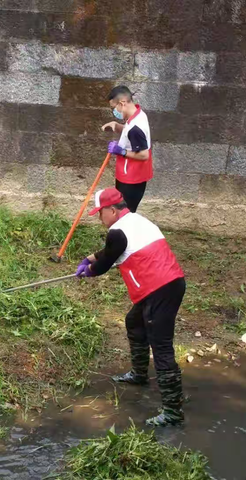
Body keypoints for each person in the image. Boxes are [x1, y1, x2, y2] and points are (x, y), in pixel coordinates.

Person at [76, 187, 186, 427]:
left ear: (112, 210)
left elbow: (107, 262)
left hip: (159, 289)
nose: (99, 218)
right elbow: (111, 251)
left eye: (100, 213)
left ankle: (172, 412)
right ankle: (138, 374)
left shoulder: (117, 231)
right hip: (168, 284)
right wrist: (89, 259)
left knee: (162, 346)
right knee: (134, 321)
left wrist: (90, 271)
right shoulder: (136, 221)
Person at [102, 86, 153, 213]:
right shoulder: (138, 114)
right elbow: (129, 131)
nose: (114, 111)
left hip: (131, 178)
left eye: (114, 108)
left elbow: (144, 155)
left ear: (122, 103)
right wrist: (117, 126)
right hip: (132, 175)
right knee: (125, 212)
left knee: (125, 213)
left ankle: (123, 233)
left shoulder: (136, 128)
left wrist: (121, 151)